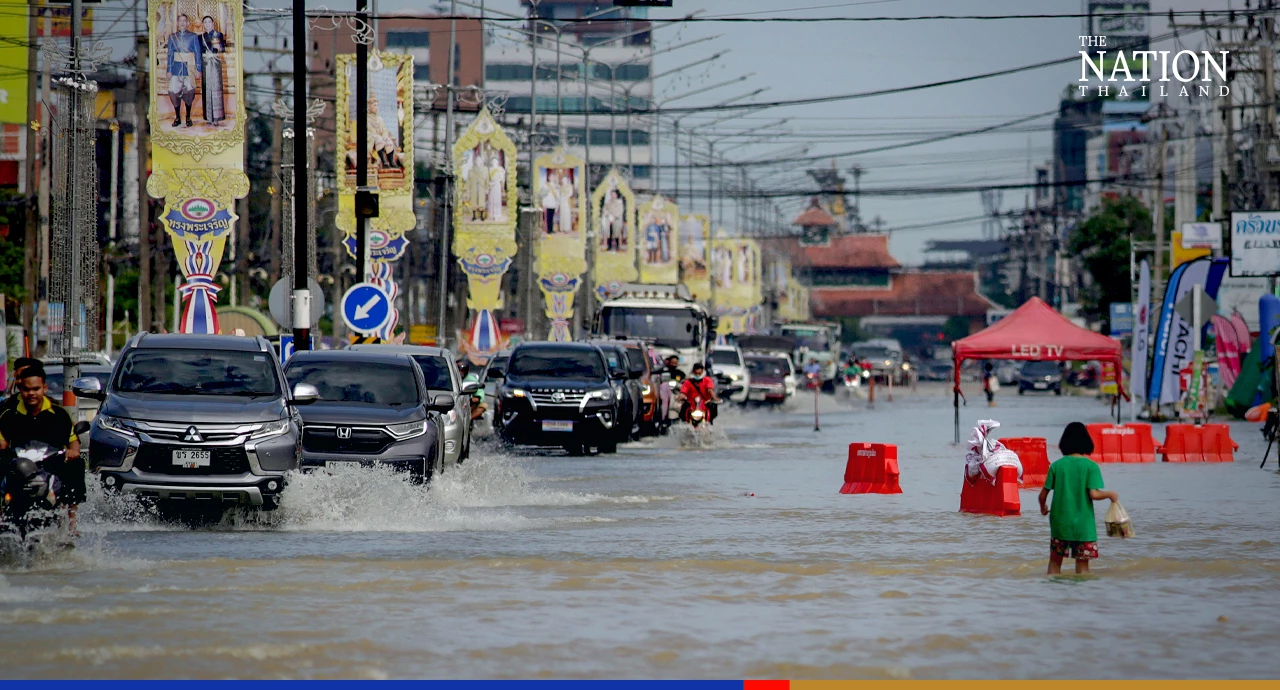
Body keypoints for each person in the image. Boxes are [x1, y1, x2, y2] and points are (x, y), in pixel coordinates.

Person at [0, 365, 83, 532]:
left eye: (36, 389)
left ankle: (71, 523)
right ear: (20, 389)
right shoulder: (8, 415)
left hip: (51, 463)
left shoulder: (59, 414)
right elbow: (2, 442)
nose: (31, 393)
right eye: (26, 389)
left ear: (44, 388)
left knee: (77, 465)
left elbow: (74, 441)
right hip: (19, 464)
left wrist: (73, 452)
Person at [1039, 422, 1119, 575]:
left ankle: (1051, 595)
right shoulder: (1091, 466)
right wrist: (1110, 495)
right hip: (1083, 525)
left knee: (1055, 562)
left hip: (1060, 523)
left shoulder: (1056, 466)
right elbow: (1094, 494)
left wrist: (1043, 508)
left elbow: (1043, 495)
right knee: (1083, 567)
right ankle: (1082, 597)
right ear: (1086, 441)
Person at [165, 13, 203, 128]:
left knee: (190, 91)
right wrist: (169, 69)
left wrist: (198, 69)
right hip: (176, 68)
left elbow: (198, 54)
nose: (182, 23)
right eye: (180, 21)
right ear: (177, 23)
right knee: (172, 91)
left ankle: (188, 117)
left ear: (188, 23)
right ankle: (177, 116)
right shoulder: (172, 37)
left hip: (190, 68)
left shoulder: (193, 37)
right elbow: (170, 54)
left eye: (184, 21)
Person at [199, 15, 227, 125]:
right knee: (207, 89)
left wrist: (218, 47)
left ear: (213, 23)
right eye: (205, 22)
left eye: (209, 22)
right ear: (203, 24)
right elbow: (199, 51)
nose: (207, 24)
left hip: (215, 62)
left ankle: (217, 118)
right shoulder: (200, 37)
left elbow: (223, 49)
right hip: (206, 63)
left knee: (216, 89)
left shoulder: (218, 34)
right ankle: (208, 118)